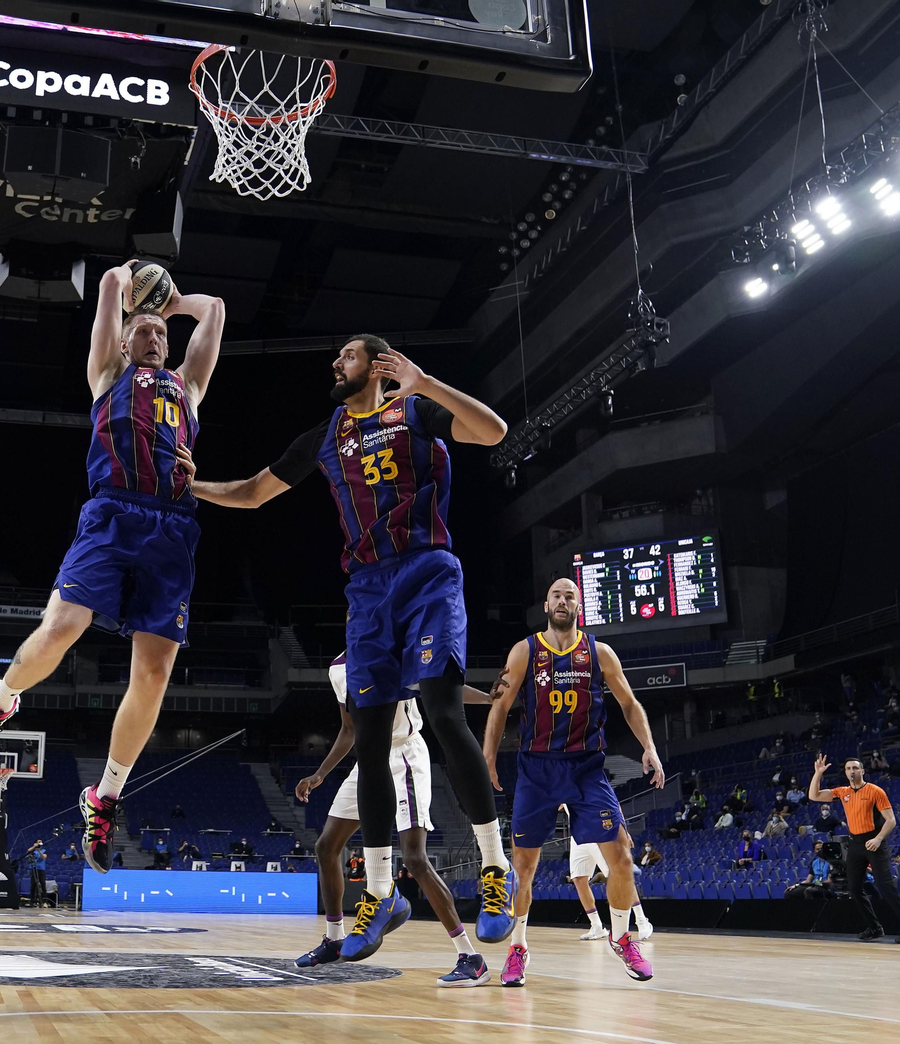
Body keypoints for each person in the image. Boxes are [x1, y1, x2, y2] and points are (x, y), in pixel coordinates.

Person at [189, 334, 515, 956]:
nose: (334, 363)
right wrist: (194, 487)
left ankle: (494, 868)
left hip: (427, 570)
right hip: (368, 589)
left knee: (444, 712)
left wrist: (424, 383)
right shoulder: (325, 434)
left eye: (346, 355)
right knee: (369, 743)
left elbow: (494, 431)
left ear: (378, 363)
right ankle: (379, 894)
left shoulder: (416, 410)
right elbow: (256, 491)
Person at [0, 266, 226, 878]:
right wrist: (124, 283)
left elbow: (216, 312)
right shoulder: (107, 377)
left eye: (160, 330)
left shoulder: (187, 387)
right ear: (123, 342)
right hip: (110, 516)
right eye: (143, 329)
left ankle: (104, 796)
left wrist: (173, 300)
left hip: (173, 525)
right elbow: (107, 283)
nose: (154, 334)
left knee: (153, 674)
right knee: (62, 625)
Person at [484, 578, 664, 985]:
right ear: (545, 604)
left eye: (570, 596)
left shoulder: (599, 653)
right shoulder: (524, 651)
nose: (562, 600)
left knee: (621, 858)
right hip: (537, 770)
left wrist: (648, 747)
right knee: (524, 868)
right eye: (556, 595)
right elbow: (500, 707)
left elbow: (630, 704)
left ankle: (622, 938)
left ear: (579, 607)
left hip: (586, 768)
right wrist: (488, 758)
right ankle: (518, 948)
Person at [293, 652, 491, 983]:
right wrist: (321, 773)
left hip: (406, 757)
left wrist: (488, 699)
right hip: (370, 759)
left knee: (415, 858)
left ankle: (470, 956)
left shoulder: (395, 652)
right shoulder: (338, 668)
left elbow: (441, 689)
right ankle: (334, 938)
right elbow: (348, 728)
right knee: (326, 846)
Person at [808, 754, 900, 943]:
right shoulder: (842, 792)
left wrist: (878, 839)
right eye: (848, 768)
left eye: (855, 768)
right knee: (853, 887)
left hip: (874, 842)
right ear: (845, 772)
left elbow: (891, 820)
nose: (851, 771)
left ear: (862, 771)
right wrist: (818, 773)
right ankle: (875, 927)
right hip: (855, 844)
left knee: (885, 886)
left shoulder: (875, 791)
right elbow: (814, 795)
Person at [566, 815, 653, 943]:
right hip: (577, 834)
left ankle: (641, 919)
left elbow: (614, 803)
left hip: (598, 831)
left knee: (618, 875)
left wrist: (624, 831)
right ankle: (597, 926)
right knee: (578, 879)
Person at [27, 841, 49, 906]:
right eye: (38, 842)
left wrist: (39, 851)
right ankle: (32, 901)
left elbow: (43, 857)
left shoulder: (44, 851)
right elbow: (28, 851)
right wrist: (34, 847)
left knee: (42, 884)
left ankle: (44, 901)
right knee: (33, 885)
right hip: (34, 868)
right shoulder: (33, 851)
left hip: (41, 869)